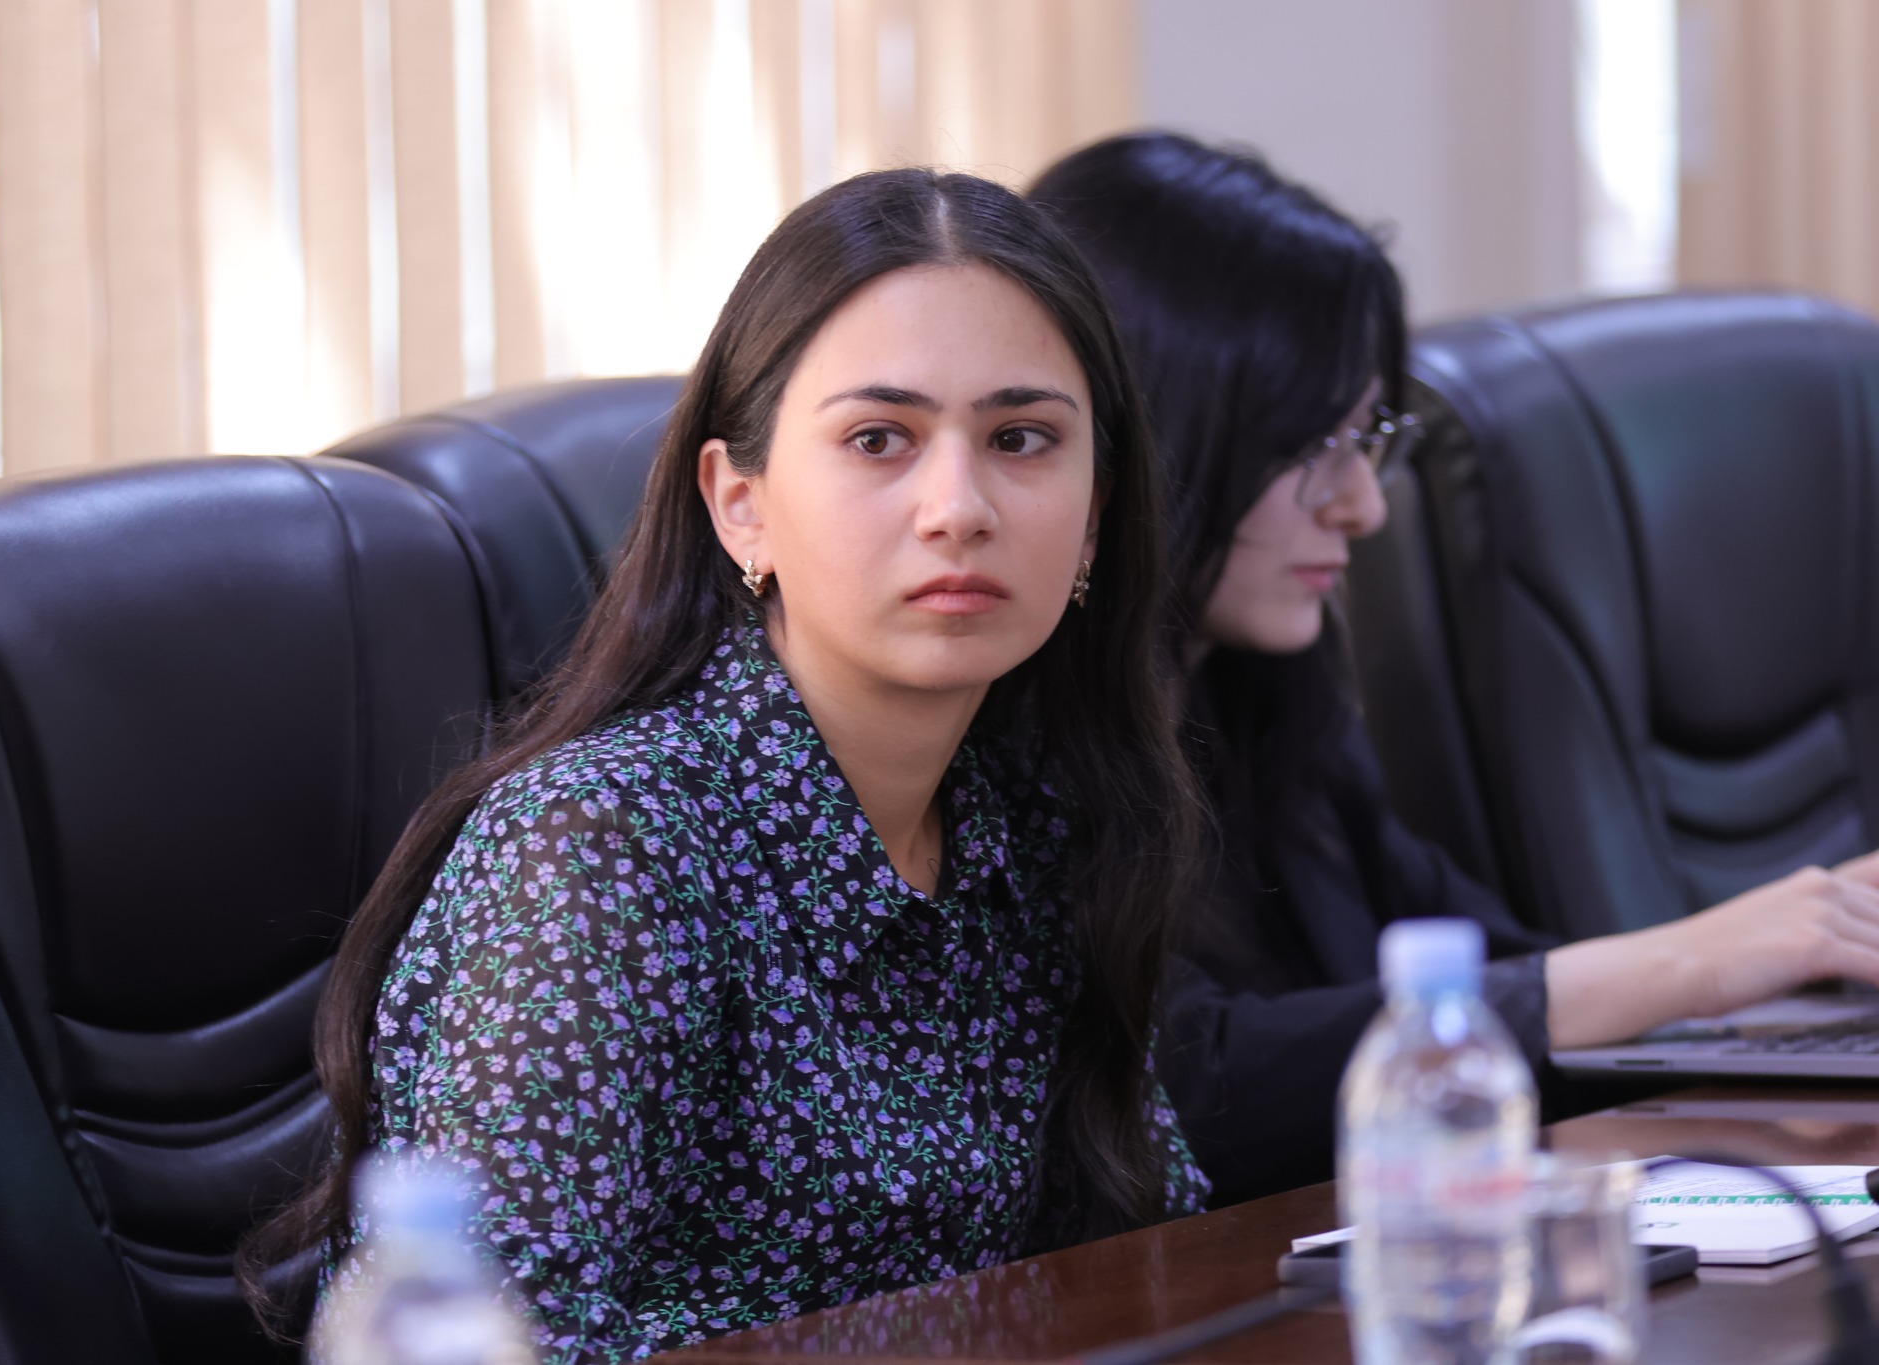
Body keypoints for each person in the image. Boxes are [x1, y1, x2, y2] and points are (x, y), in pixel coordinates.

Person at [239, 168, 1207, 1363]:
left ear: (1094, 513)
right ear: (739, 504)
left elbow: (1146, 1261)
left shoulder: (1030, 823)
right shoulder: (606, 847)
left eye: (1020, 440)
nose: (956, 507)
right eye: (878, 440)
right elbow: (481, 1340)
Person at [1028, 132, 1879, 1206]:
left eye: (1365, 439)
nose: (1362, 506)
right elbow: (1185, 1089)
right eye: (1309, 450)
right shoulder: (1008, 743)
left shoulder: (1262, 696)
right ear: (1155, 441)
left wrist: (1804, 942)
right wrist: (1693, 962)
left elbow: (1485, 970)